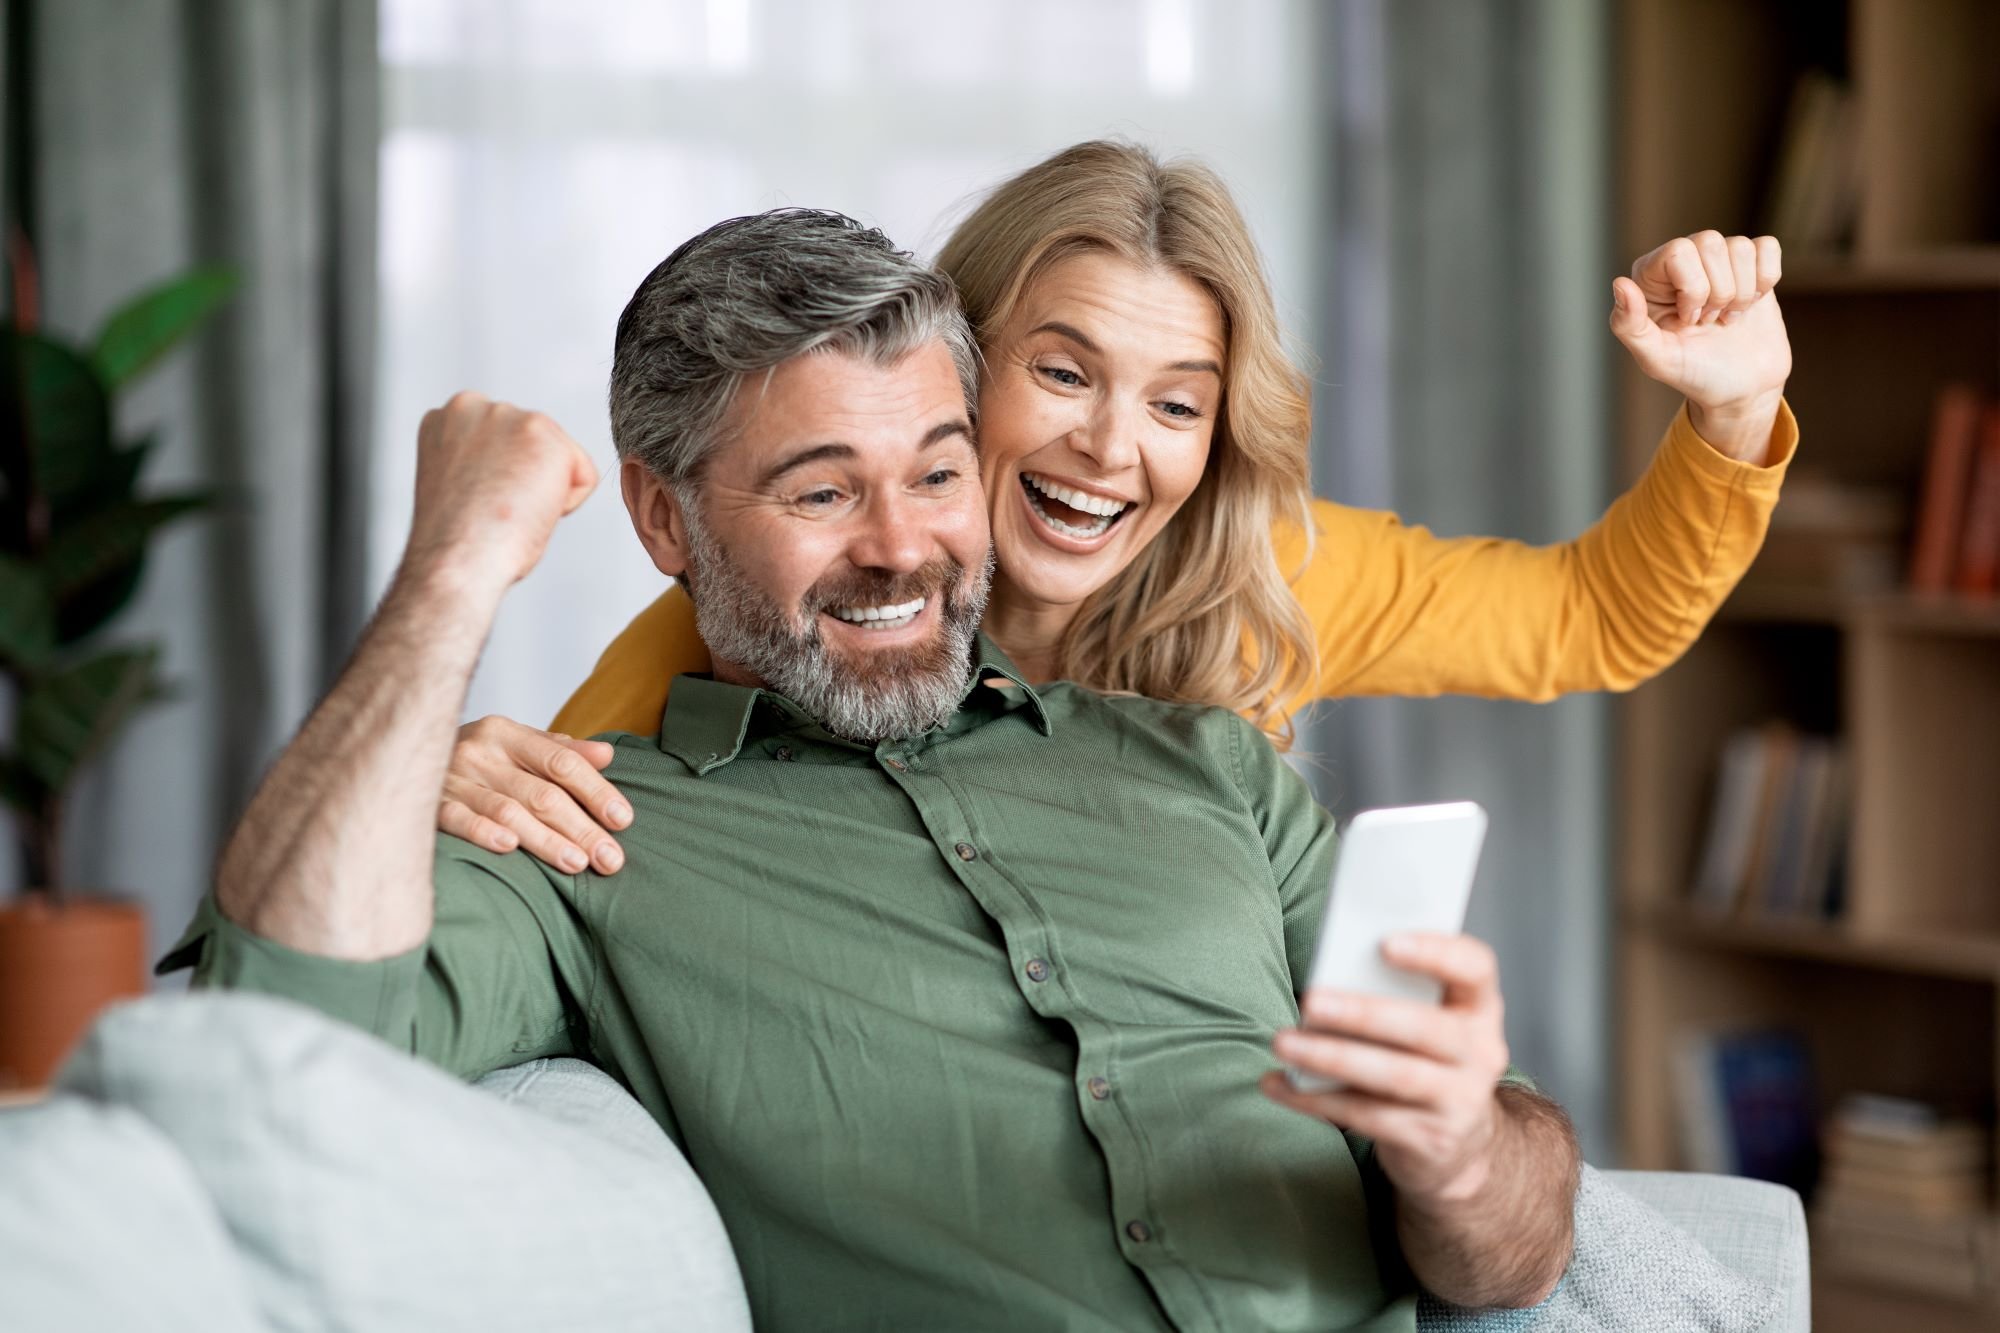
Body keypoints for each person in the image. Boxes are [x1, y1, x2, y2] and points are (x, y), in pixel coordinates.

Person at [165, 209, 1579, 1332]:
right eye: (824, 490)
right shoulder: (588, 838)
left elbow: (1518, 1250)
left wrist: (1460, 1151)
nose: (903, 548)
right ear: (664, 520)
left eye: (941, 473)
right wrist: (452, 571)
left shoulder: (1213, 766)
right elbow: (276, 1034)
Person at [431, 141, 1796, 882]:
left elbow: (1594, 618)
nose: (1111, 449)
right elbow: (542, 814)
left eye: (1177, 404)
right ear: (955, 367)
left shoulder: (1261, 573)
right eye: (1064, 373)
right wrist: (455, 773)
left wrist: (1735, 411)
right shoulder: (802, 604)